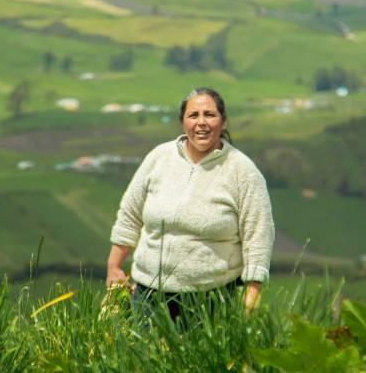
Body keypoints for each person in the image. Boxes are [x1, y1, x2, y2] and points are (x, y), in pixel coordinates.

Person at [106, 87, 275, 319]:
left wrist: (252, 294)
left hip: (211, 299)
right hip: (148, 295)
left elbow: (258, 235)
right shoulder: (159, 157)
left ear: (223, 122)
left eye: (210, 115)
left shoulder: (242, 171)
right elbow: (130, 214)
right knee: (146, 355)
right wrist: (114, 265)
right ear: (183, 122)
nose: (201, 122)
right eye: (193, 115)